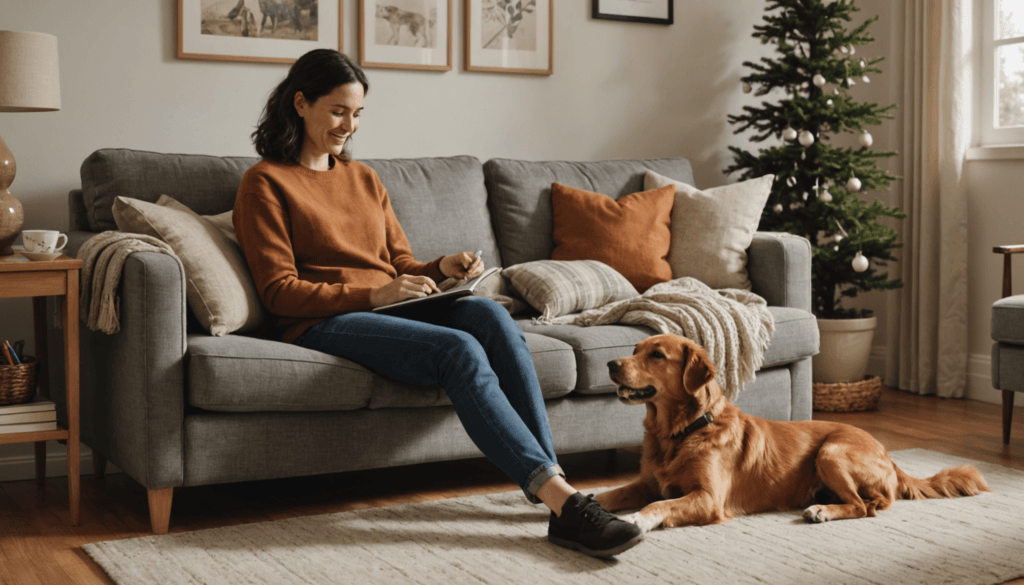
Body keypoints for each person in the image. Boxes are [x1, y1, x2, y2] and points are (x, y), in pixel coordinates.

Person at [233, 48, 644, 558]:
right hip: (323, 320)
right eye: (338, 111)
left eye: (357, 114)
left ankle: (556, 492)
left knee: (489, 313)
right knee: (458, 350)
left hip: (389, 307)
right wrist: (375, 294)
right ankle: (566, 505)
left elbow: (399, 263)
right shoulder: (264, 183)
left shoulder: (363, 178)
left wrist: (441, 268)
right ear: (300, 103)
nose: (349, 126)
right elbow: (278, 291)